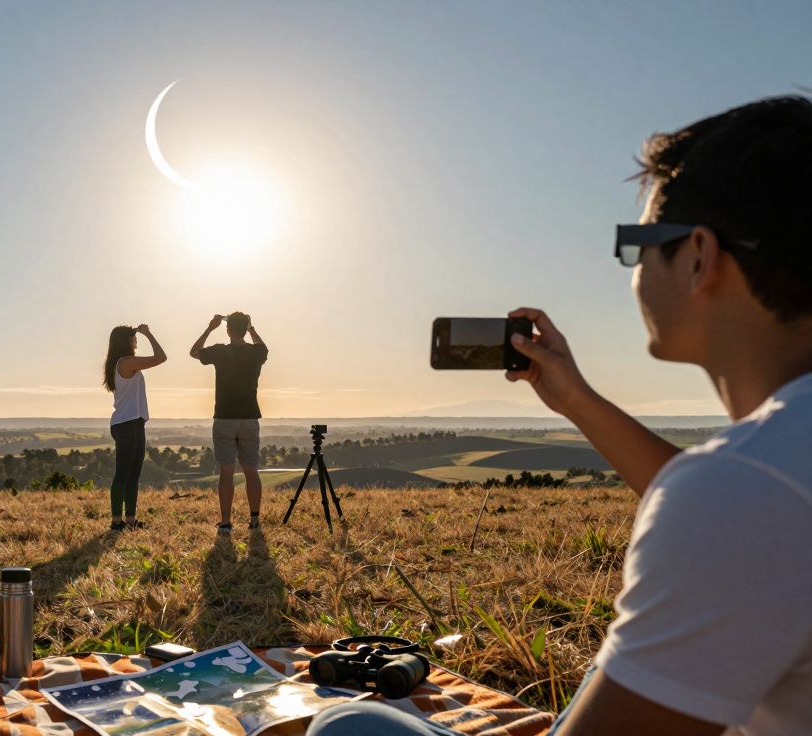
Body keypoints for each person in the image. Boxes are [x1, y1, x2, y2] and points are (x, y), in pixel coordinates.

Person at [309, 97, 812, 736]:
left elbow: (737, 505)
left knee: (347, 725)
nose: (634, 272)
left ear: (698, 257)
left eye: (636, 247)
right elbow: (745, 505)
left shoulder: (742, 492)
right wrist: (574, 396)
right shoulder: (773, 472)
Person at [190, 312, 268, 533]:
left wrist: (209, 328)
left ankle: (225, 522)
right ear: (245, 329)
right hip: (249, 417)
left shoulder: (220, 351)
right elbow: (263, 347)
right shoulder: (256, 352)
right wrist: (252, 328)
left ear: (227, 330)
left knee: (226, 472)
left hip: (224, 417)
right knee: (251, 471)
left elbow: (194, 352)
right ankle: (254, 520)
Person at [102, 324, 167, 531]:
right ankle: (116, 521)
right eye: (133, 336)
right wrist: (148, 333)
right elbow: (161, 357)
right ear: (125, 341)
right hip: (127, 424)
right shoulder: (126, 362)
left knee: (133, 474)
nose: (135, 339)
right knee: (123, 474)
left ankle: (130, 520)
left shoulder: (123, 362)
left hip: (134, 423)